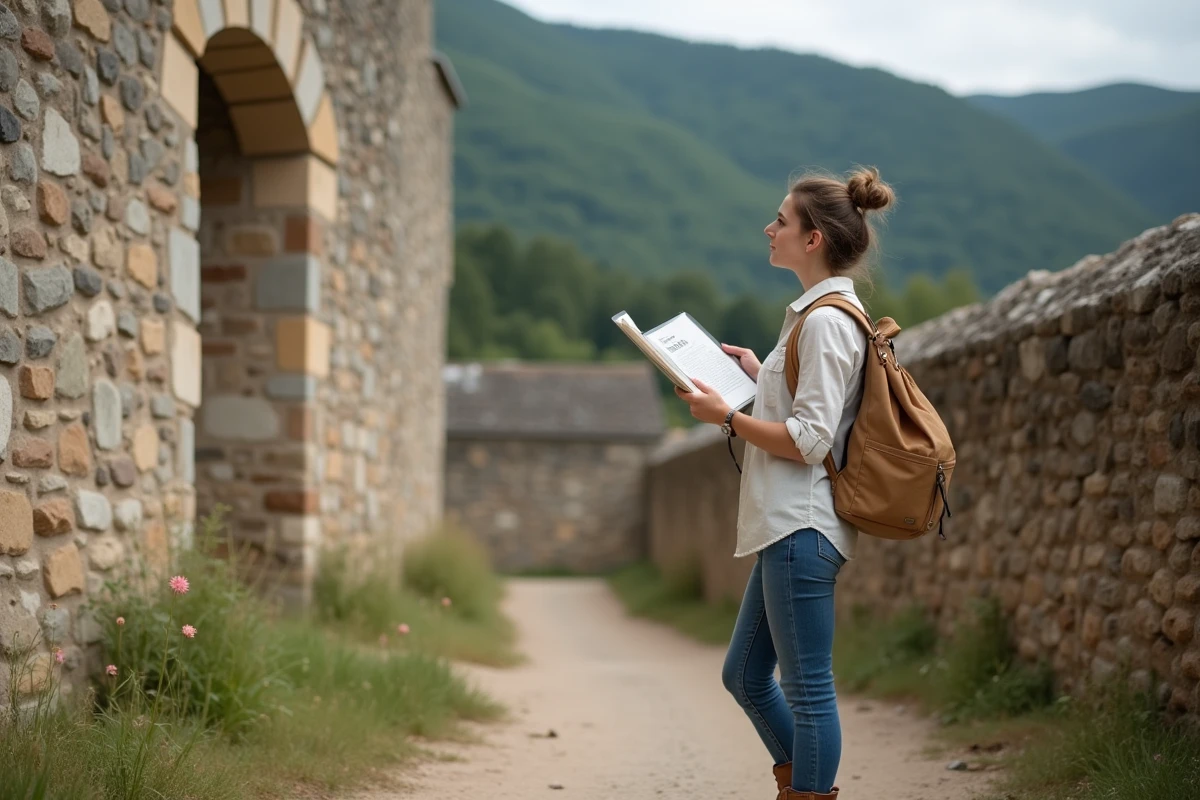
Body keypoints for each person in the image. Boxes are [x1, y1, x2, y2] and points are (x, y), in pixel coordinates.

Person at [674, 166, 895, 799]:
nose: (768, 228)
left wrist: (730, 418)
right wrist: (753, 376)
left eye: (781, 220)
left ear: (813, 239)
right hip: (785, 528)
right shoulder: (811, 317)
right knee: (744, 676)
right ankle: (804, 784)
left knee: (807, 690)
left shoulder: (825, 322)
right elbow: (800, 413)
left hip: (803, 527)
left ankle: (808, 792)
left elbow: (809, 441)